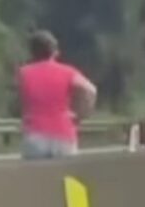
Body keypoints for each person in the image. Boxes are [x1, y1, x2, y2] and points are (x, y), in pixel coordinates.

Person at [18, 30, 97, 159]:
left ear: (32, 52)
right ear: (54, 52)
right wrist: (81, 115)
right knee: (66, 172)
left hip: (35, 135)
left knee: (34, 172)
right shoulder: (68, 72)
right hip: (64, 134)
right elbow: (91, 90)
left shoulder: (23, 73)